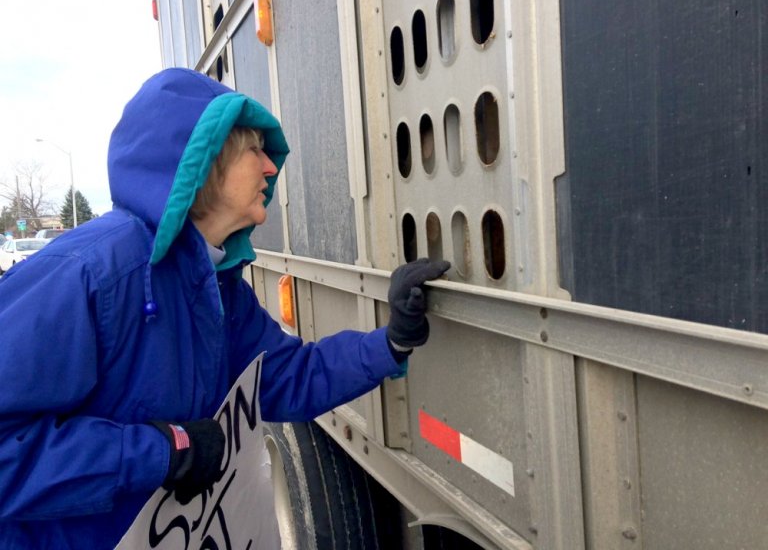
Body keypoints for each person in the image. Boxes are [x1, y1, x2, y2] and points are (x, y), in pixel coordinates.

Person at [0, 68, 449, 548]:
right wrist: (161, 454)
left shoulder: (214, 283)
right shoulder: (92, 274)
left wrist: (390, 341)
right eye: (254, 150)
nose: (271, 168)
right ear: (204, 159)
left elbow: (283, 377)